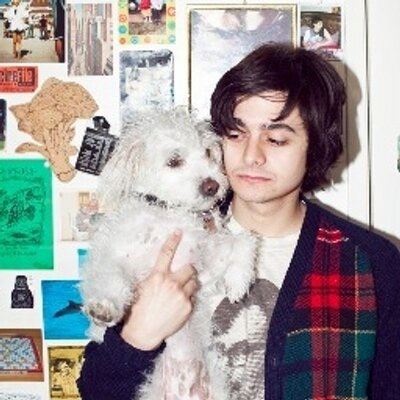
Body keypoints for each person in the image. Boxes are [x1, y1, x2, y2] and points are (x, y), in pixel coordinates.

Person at [77, 43, 400, 399]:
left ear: (316, 147)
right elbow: (95, 391)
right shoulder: (160, 241)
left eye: (276, 139)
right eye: (235, 134)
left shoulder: (371, 263)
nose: (251, 155)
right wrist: (138, 335)